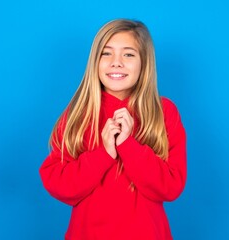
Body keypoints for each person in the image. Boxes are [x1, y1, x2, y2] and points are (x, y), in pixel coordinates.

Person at [39, 19, 187, 240]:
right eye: (106, 53)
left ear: (144, 62)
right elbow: (57, 181)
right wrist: (103, 154)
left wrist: (129, 146)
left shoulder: (164, 112)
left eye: (128, 54)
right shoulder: (80, 112)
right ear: (95, 61)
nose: (116, 62)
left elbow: (171, 186)